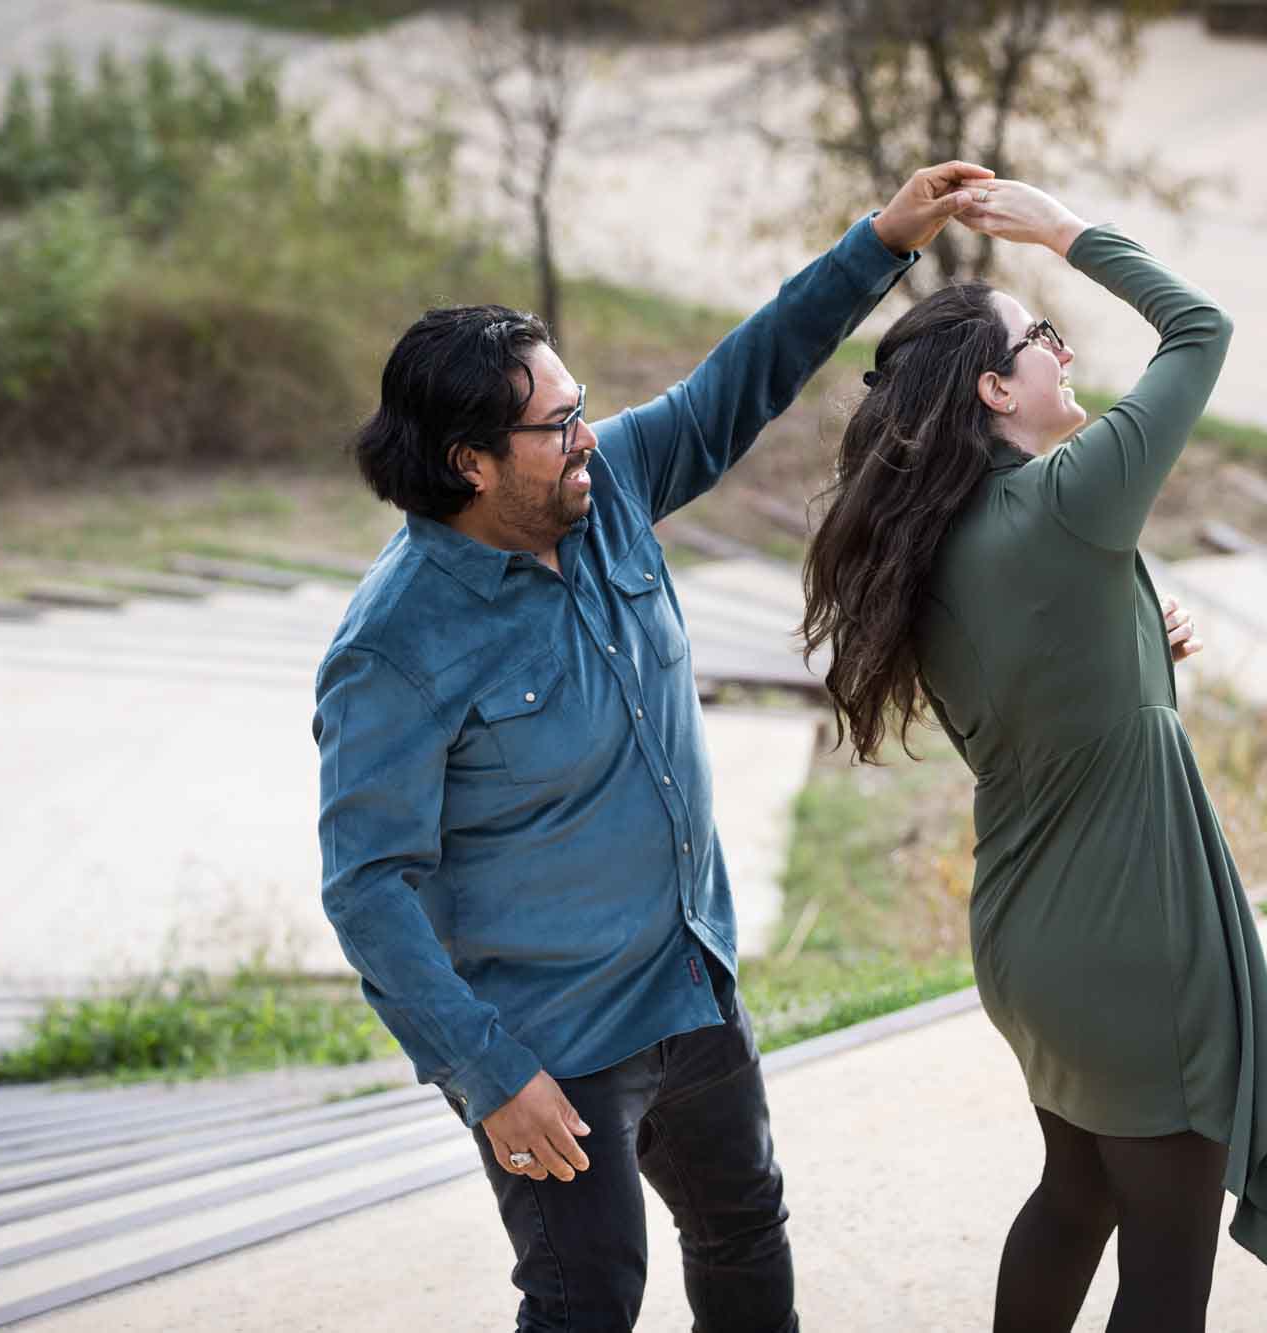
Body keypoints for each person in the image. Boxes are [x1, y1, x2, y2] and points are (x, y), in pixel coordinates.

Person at [312, 161, 996, 1331]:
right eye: (556, 424)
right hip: (552, 1049)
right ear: (470, 461)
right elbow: (368, 889)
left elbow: (746, 377)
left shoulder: (611, 485)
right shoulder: (392, 646)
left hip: (689, 987)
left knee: (742, 1234)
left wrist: (879, 240)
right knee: (586, 1297)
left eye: (582, 410)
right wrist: (489, 1076)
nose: (586, 437)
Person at [799, 180, 1267, 1332]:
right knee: (1164, 1281)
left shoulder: (941, 543)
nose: (1064, 351)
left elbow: (1044, 694)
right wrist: (1062, 230)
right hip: (1128, 940)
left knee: (1075, 1194)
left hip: (1031, 939)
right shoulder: (1070, 503)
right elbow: (1202, 329)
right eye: (1040, 338)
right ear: (993, 387)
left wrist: (1135, 639)